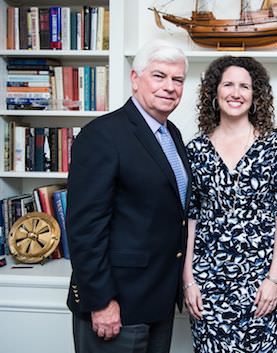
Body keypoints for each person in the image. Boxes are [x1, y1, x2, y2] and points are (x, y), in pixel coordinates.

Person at [66, 39, 190, 353]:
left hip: (157, 300)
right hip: (116, 304)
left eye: (177, 80)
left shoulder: (171, 134)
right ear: (135, 79)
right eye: (159, 76)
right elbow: (84, 229)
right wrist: (101, 302)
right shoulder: (102, 135)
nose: (170, 87)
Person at [183, 56, 277, 352]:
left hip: (262, 279)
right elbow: (190, 219)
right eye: (228, 84)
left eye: (244, 86)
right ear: (214, 92)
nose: (236, 93)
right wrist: (188, 280)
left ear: (255, 94)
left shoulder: (275, 146)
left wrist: (274, 279)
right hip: (208, 281)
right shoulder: (195, 150)